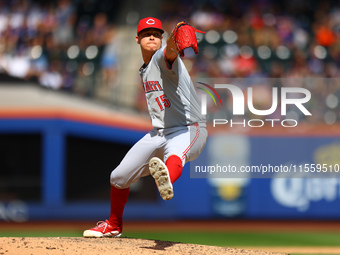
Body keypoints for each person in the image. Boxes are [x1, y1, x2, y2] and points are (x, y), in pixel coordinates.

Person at [83, 17, 207, 238]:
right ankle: (114, 225)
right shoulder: (145, 68)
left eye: (157, 34)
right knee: (118, 177)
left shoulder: (163, 57)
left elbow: (170, 50)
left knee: (175, 156)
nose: (152, 36)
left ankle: (166, 178)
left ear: (161, 39)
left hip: (188, 128)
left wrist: (173, 40)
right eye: (147, 33)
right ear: (137, 38)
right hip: (159, 132)